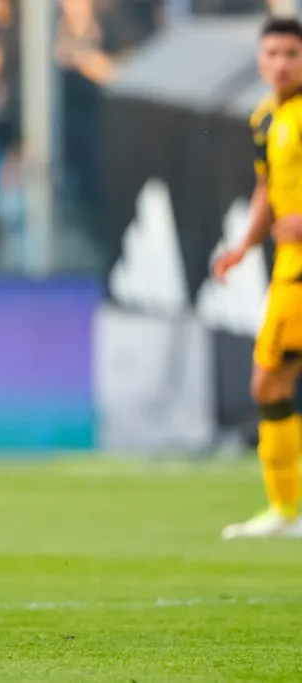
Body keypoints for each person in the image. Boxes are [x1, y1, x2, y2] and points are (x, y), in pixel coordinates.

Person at [214, 17, 302, 540]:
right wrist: (243, 247)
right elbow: (268, 189)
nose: (282, 63)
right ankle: (285, 509)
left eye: (292, 53)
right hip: (289, 270)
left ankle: (286, 509)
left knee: (269, 379)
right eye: (273, 53)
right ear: (259, 59)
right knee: (271, 380)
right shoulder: (264, 118)